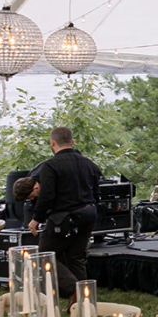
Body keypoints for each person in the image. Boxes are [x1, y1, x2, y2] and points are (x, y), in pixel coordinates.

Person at [28, 126, 102, 298]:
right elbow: (97, 194)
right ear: (72, 142)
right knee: (76, 257)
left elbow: (46, 195)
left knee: (43, 257)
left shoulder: (50, 166)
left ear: (52, 143)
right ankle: (85, 297)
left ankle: (74, 290)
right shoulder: (89, 164)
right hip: (87, 216)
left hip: (62, 219)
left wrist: (36, 219)